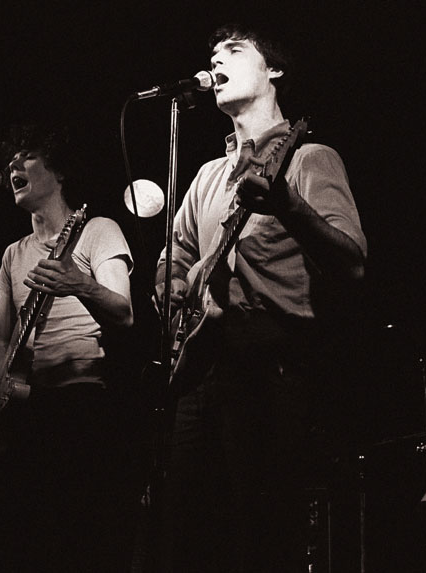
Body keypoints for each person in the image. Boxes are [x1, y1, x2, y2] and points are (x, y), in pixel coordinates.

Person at [154, 22, 368, 571]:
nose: (216, 60)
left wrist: (289, 206)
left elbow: (353, 260)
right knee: (183, 533)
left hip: (271, 362)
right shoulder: (205, 176)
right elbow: (172, 260)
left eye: (233, 50)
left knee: (261, 533)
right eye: (212, 52)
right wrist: (173, 286)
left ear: (273, 70)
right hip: (199, 365)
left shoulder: (308, 158)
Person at [0, 122, 135, 571]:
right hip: (21, 409)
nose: (13, 166)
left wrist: (80, 285)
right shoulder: (13, 253)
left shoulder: (97, 230)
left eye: (27, 157)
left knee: (74, 536)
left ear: (59, 173)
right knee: (18, 538)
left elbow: (124, 312)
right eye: (11, 160)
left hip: (79, 403)